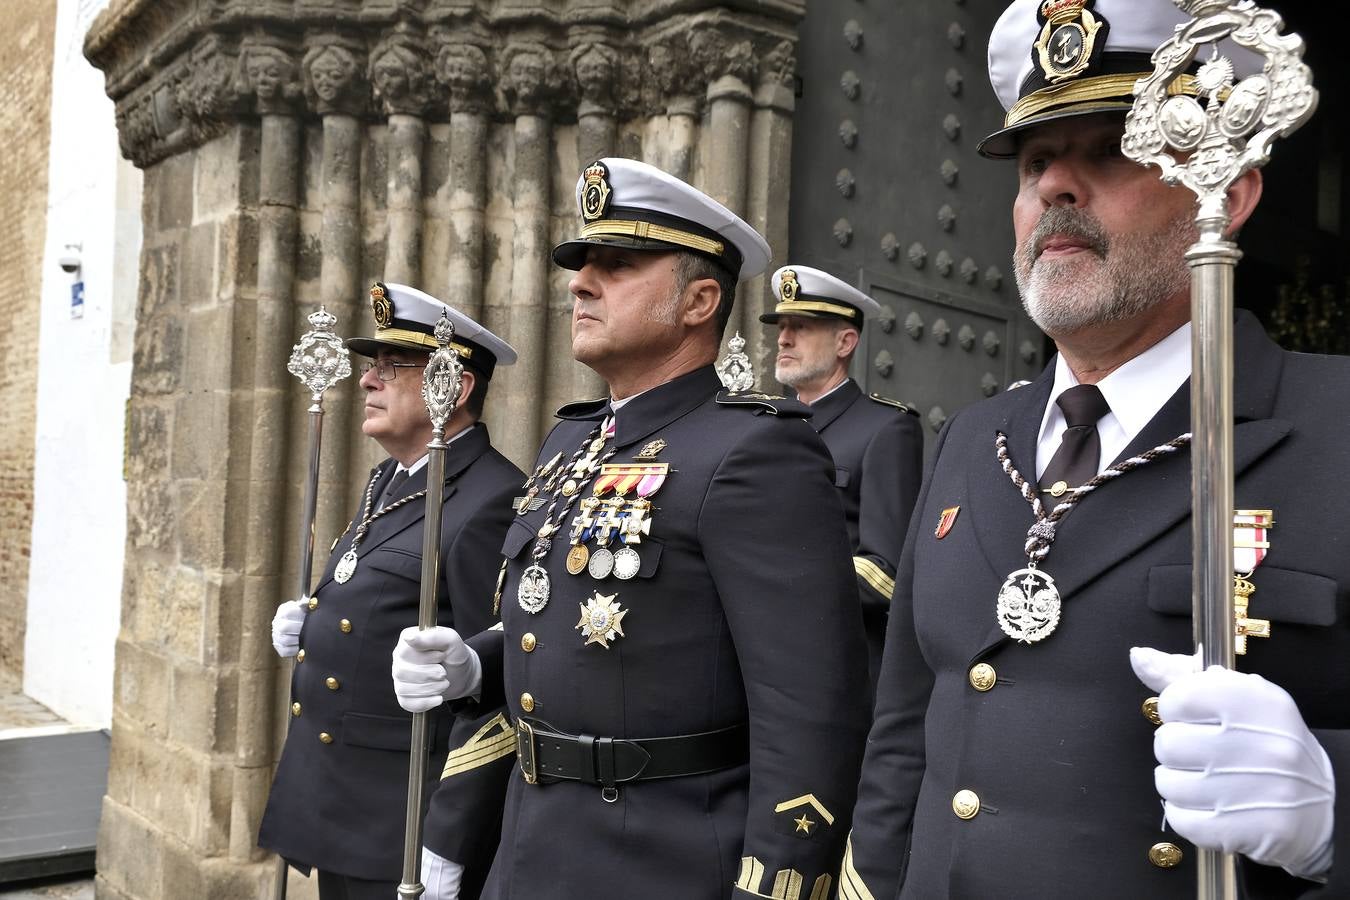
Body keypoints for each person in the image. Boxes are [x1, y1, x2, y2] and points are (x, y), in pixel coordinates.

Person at [841, 1, 1349, 898]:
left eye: (1111, 150)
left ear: (1225, 193)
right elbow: (905, 726)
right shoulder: (973, 438)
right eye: (1035, 163)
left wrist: (1332, 815)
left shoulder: (1332, 426)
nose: (1055, 188)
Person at [393, 157, 872, 899]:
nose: (581, 283)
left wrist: (776, 885)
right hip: (530, 843)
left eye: (617, 266)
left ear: (699, 300)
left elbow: (811, 711)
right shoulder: (571, 441)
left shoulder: (755, 450)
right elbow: (553, 618)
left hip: (661, 858)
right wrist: (475, 664)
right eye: (582, 266)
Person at [258, 283, 522, 900]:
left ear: (452, 388)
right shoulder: (389, 478)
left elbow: (502, 685)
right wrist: (318, 617)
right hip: (340, 800)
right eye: (368, 367)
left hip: (403, 823)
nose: (366, 382)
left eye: (390, 367)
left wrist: (450, 839)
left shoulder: (492, 499)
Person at [761, 265, 923, 689]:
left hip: (834, 666)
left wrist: (774, 573)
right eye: (781, 326)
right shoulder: (766, 424)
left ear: (845, 341)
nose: (783, 338)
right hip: (758, 658)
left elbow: (887, 574)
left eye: (801, 326)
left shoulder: (886, 428)